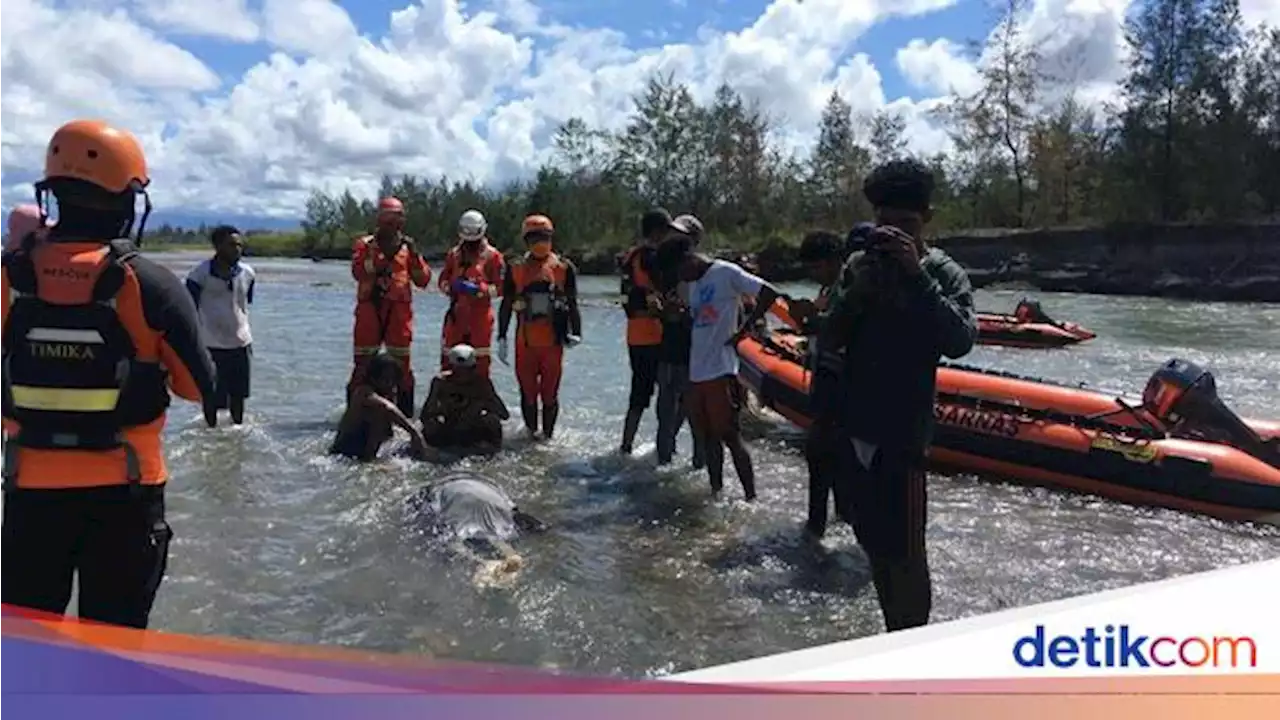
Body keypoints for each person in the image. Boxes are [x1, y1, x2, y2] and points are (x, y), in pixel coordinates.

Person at [0, 119, 216, 629]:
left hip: (29, 494)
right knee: (115, 651)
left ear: (52, 193)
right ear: (127, 200)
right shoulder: (151, 284)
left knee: (24, 649)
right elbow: (197, 389)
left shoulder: (8, 278)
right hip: (126, 496)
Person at [816, 158, 978, 632]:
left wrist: (915, 276)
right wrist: (857, 291)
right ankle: (893, 635)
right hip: (854, 426)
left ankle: (909, 647)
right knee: (873, 546)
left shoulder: (943, 273)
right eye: (886, 226)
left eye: (906, 226)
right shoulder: (858, 266)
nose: (895, 235)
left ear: (927, 217)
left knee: (907, 553)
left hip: (903, 433)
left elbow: (960, 340)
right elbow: (829, 338)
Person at [653, 231, 782, 501]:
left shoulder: (725, 273)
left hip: (721, 370)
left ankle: (751, 498)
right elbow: (700, 323)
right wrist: (678, 315)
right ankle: (717, 493)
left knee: (730, 435)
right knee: (707, 437)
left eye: (678, 273)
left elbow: (769, 293)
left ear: (687, 260)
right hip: (697, 370)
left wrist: (744, 330)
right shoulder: (695, 285)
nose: (680, 281)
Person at [785, 230, 851, 540]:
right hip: (826, 377)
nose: (813, 273)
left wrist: (812, 320)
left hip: (839, 383)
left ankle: (817, 527)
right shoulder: (830, 288)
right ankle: (837, 518)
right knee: (830, 456)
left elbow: (840, 333)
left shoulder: (846, 289)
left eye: (817, 266)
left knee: (821, 454)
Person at [496, 214, 582, 440]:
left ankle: (548, 437)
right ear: (526, 241)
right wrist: (501, 337)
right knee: (528, 393)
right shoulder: (515, 267)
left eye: (544, 237)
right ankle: (532, 435)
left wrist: (577, 332)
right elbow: (505, 304)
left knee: (550, 394)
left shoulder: (564, 267)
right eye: (535, 238)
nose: (540, 242)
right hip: (524, 341)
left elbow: (573, 302)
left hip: (553, 342)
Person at [349, 197, 432, 417]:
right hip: (370, 310)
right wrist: (379, 255)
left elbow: (423, 280)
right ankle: (355, 414)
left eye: (396, 219)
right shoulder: (365, 245)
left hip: (398, 313)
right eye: (387, 219)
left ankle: (405, 417)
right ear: (379, 219)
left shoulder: (409, 248)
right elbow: (358, 272)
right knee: (363, 365)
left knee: (402, 366)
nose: (391, 224)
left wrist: (413, 255)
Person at [185, 225, 256, 427]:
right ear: (217, 247)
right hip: (210, 344)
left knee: (239, 396)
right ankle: (211, 433)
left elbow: (244, 304)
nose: (237, 249)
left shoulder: (248, 273)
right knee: (211, 396)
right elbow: (189, 308)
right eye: (231, 245)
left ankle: (237, 433)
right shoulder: (199, 275)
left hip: (241, 342)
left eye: (239, 245)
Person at [408, 471, 548, 573]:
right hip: (492, 501)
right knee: (495, 529)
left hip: (452, 495)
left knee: (450, 537)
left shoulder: (435, 489)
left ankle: (480, 563)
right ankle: (510, 554)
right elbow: (516, 513)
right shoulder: (488, 485)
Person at [616, 208, 669, 454]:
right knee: (669, 392)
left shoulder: (631, 256)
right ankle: (665, 446)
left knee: (638, 393)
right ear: (657, 231)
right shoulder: (652, 257)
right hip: (656, 332)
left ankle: (626, 445)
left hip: (635, 334)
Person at [654, 214, 704, 468]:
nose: (677, 237)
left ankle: (699, 465)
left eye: (683, 234)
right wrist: (663, 310)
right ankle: (663, 458)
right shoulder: (665, 267)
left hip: (694, 353)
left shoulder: (704, 273)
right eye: (675, 232)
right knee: (665, 409)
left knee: (695, 413)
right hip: (669, 348)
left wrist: (684, 316)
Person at [437, 210, 504, 377]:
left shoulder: (492, 256)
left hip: (479, 317)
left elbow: (501, 288)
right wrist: (451, 287)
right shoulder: (454, 255)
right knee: (449, 360)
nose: (470, 244)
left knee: (480, 362)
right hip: (456, 315)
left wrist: (480, 290)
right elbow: (442, 281)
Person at [331, 352, 429, 461]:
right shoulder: (363, 392)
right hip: (345, 453)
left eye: (393, 379)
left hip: (367, 452)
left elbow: (388, 433)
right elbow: (386, 408)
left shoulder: (388, 395)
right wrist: (413, 432)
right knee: (379, 413)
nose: (390, 383)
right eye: (386, 379)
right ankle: (370, 461)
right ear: (373, 378)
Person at [420, 344, 509, 454]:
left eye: (467, 370)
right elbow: (424, 416)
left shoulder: (481, 384)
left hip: (472, 429)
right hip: (449, 428)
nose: (463, 375)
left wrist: (482, 401)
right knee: (430, 424)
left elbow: (504, 415)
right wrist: (440, 405)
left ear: (474, 368)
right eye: (458, 371)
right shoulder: (441, 383)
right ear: (451, 368)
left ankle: (494, 453)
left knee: (493, 420)